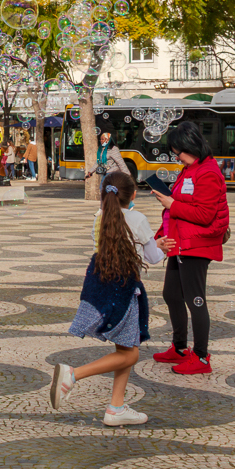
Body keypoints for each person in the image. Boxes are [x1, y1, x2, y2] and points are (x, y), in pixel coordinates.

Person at [52, 171, 173, 426]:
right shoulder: (138, 218)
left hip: (104, 287)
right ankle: (72, 375)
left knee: (125, 348)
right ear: (133, 195)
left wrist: (146, 245)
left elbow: (117, 243)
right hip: (126, 290)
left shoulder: (99, 217)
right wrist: (159, 246)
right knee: (130, 355)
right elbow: (152, 258)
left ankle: (116, 408)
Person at [149, 121, 229, 375]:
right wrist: (166, 207)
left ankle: (202, 358)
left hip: (196, 245)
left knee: (196, 301)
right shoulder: (190, 169)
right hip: (181, 243)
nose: (176, 156)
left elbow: (205, 215)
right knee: (171, 295)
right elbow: (180, 206)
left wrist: (171, 203)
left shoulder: (208, 172)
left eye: (178, 151)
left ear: (191, 146)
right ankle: (180, 347)